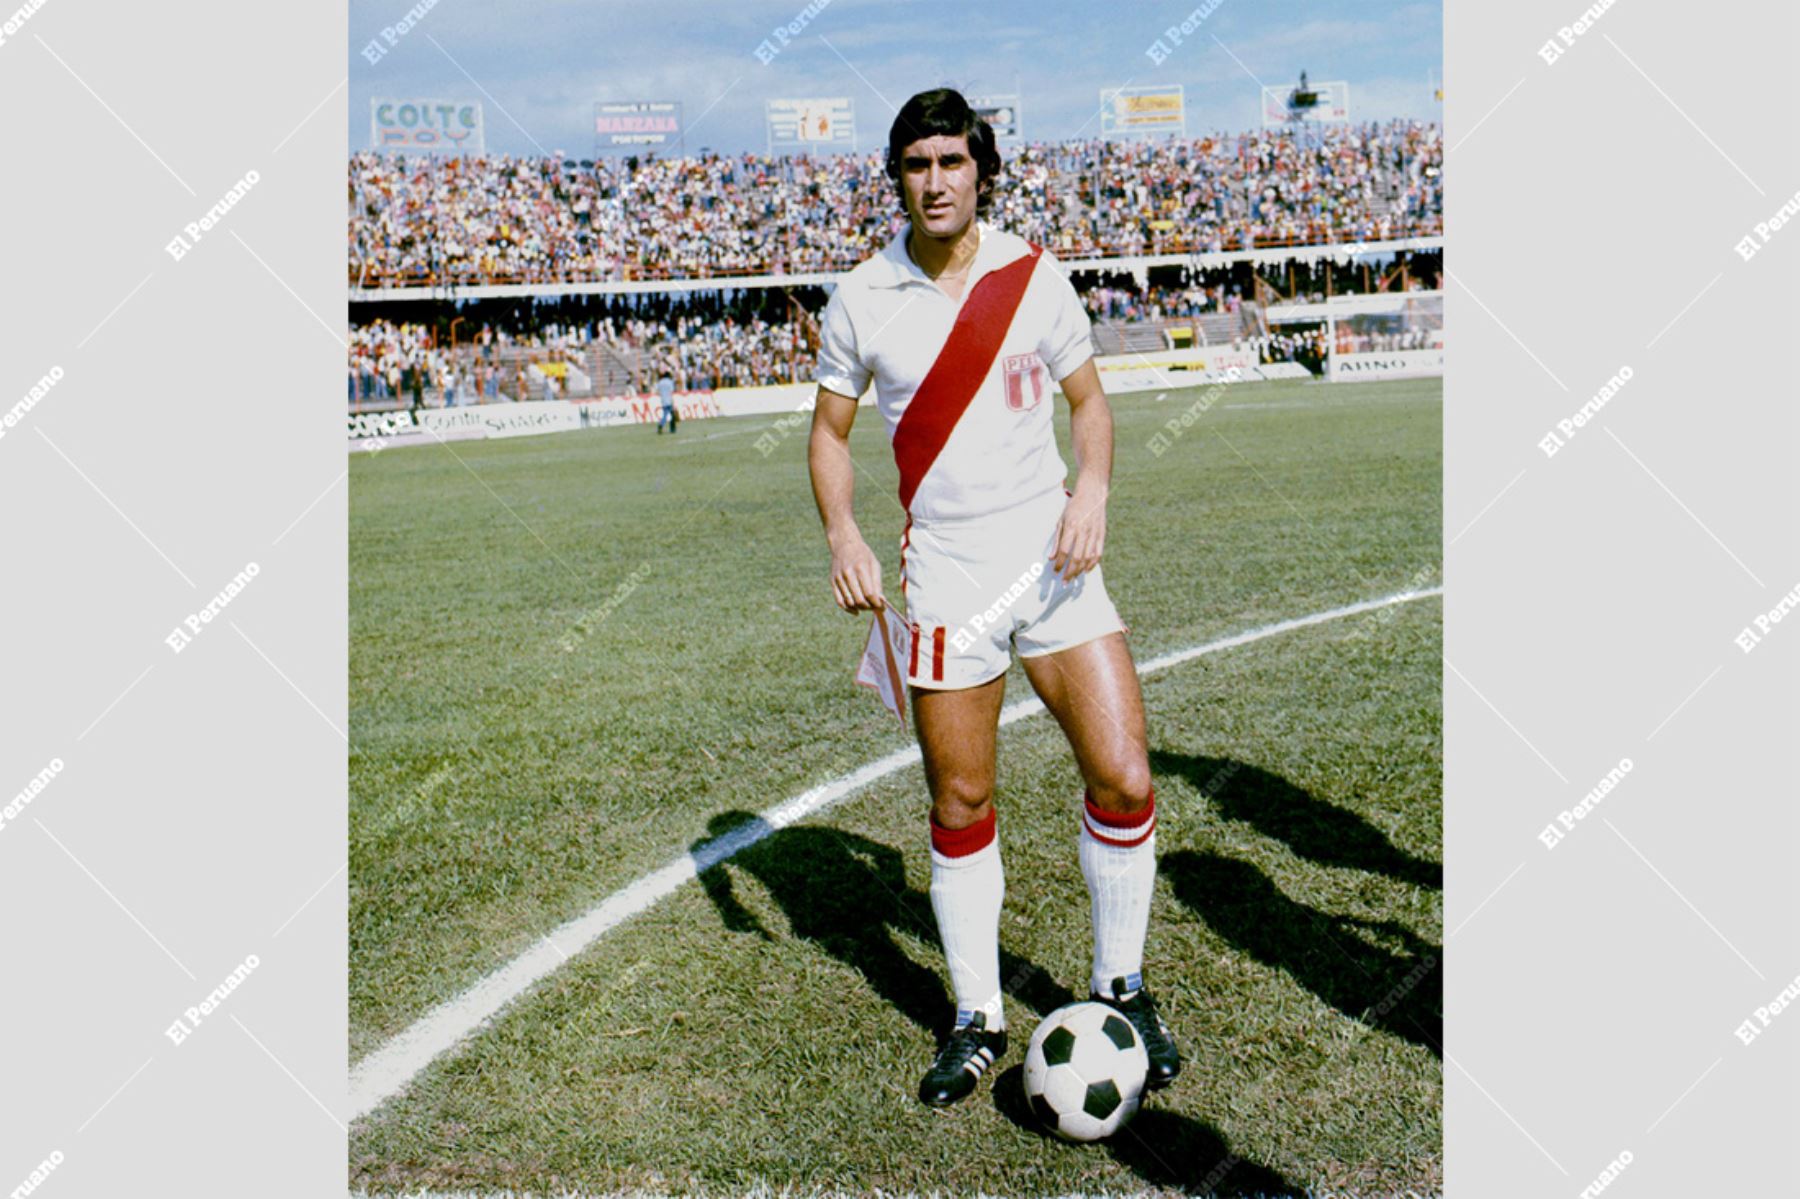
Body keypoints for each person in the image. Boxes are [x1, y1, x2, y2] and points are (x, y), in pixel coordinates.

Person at [806, 88, 1179, 1109]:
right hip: (948, 577)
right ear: (899, 177)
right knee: (962, 801)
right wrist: (844, 531)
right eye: (917, 165)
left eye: (952, 163)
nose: (935, 181)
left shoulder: (1031, 274)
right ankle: (976, 1017)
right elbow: (829, 435)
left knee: (1126, 776)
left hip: (1055, 560)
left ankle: (1123, 988)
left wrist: (1093, 488)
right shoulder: (863, 295)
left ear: (982, 172)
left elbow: (1090, 403)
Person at [656, 370, 677, 434]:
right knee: (672, 415)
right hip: (669, 400)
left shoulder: (660, 382)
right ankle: (672, 429)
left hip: (663, 401)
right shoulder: (670, 382)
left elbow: (657, 391)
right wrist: (673, 402)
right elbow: (671, 392)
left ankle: (661, 425)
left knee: (665, 415)